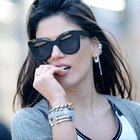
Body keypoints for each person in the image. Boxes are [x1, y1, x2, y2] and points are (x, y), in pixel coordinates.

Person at [11, 0, 140, 139]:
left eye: (67, 40)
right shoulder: (30, 121)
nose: (55, 54)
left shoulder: (134, 114)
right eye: (43, 45)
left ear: (95, 46)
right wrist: (58, 102)